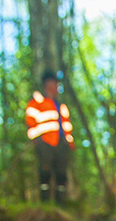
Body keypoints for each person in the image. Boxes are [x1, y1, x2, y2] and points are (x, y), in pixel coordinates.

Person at [25, 70, 76, 204]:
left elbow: (66, 125)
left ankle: (60, 203)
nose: (55, 87)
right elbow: (30, 122)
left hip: (61, 143)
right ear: (46, 85)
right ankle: (45, 201)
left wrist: (69, 141)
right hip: (44, 142)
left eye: (56, 84)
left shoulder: (61, 106)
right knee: (45, 170)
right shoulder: (37, 103)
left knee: (61, 173)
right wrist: (35, 139)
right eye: (53, 84)